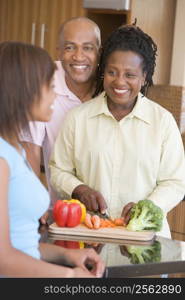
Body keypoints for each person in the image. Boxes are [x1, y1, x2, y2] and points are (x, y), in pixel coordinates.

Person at [49, 24, 185, 239]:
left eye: (130, 74)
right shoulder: (78, 118)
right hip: (89, 236)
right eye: (112, 72)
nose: (119, 81)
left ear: (144, 76)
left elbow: (176, 182)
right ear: (103, 71)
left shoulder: (163, 122)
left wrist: (148, 206)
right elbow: (58, 169)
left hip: (146, 240)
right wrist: (79, 189)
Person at [0, 41, 105, 278]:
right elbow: (3, 259)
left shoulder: (15, 149)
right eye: (49, 86)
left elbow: (22, 245)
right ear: (23, 91)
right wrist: (70, 276)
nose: (55, 94)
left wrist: (67, 256)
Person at [21, 17, 101, 224]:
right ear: (58, 51)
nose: (79, 57)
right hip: (59, 211)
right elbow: (31, 150)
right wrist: (35, 205)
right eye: (70, 47)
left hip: (104, 211)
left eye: (88, 48)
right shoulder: (43, 81)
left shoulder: (111, 83)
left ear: (99, 51)